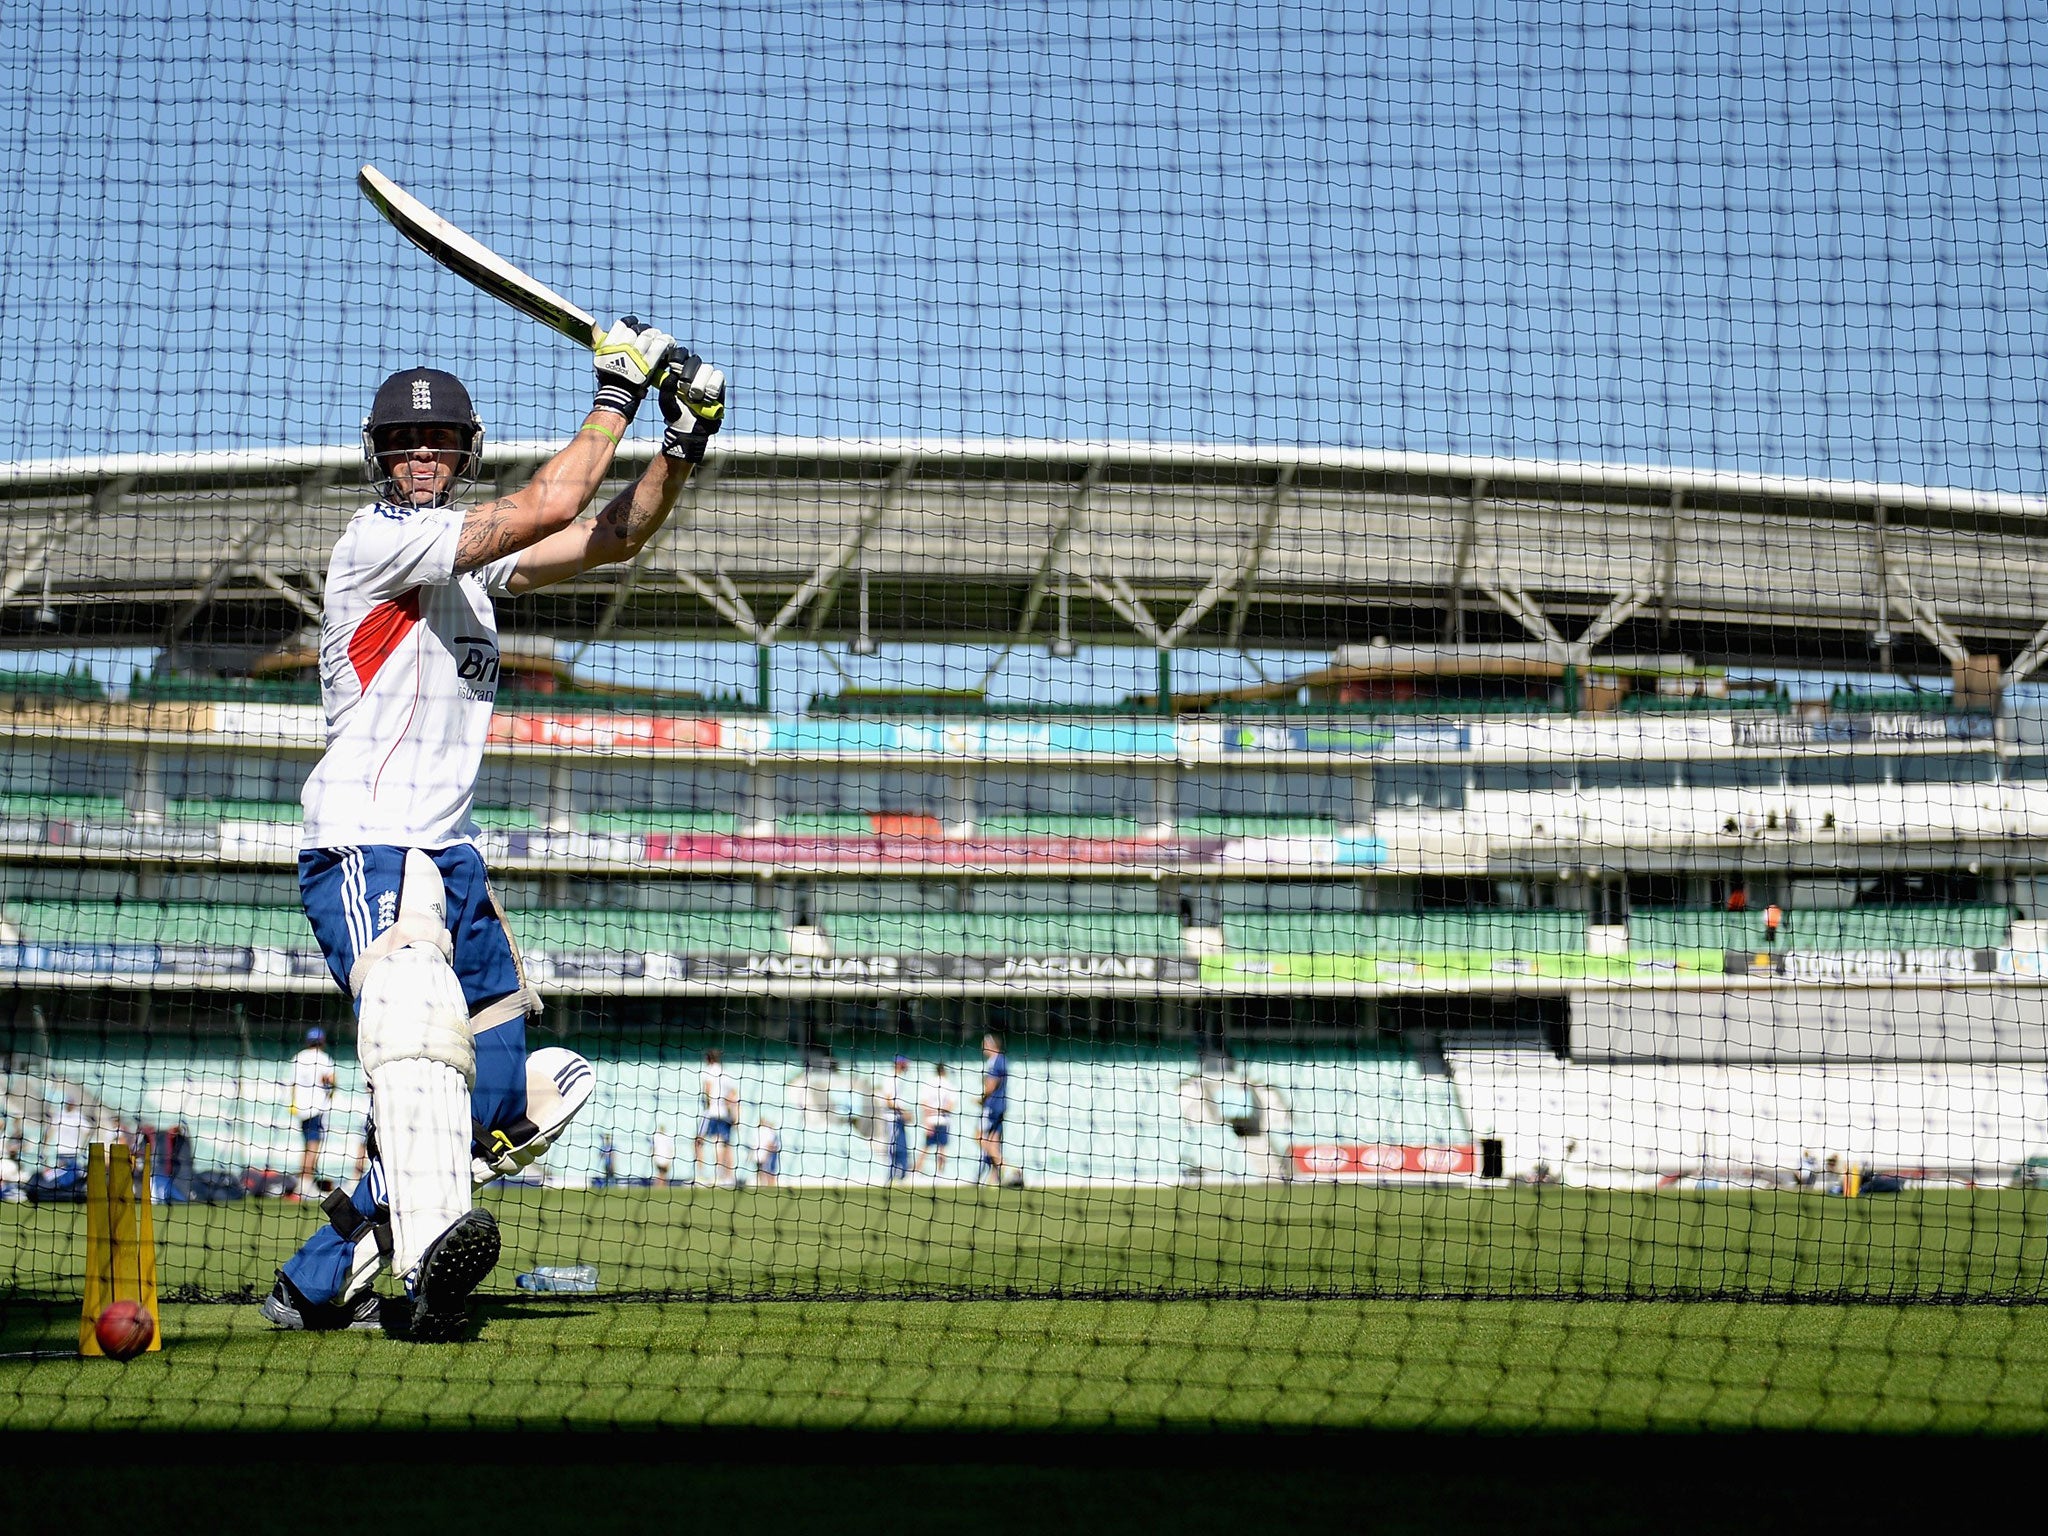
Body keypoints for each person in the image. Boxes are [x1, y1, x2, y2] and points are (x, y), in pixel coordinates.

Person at [260, 323, 726, 1341]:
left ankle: (315, 1278)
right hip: (364, 844)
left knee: (504, 1091)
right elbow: (553, 498)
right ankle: (426, 1290)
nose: (419, 458)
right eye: (403, 443)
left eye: (437, 443)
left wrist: (681, 440)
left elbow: (610, 534)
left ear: (463, 451)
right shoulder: (376, 543)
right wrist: (615, 391)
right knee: (419, 1053)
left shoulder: (475, 569)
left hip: (453, 854)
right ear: (377, 454)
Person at [290, 1026, 337, 1198]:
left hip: (301, 1108)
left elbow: (292, 1084)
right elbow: (332, 1081)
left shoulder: (298, 1057)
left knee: (307, 1145)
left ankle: (303, 1182)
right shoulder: (324, 1058)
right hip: (317, 1107)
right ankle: (306, 1185)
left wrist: (294, 1104)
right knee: (313, 1146)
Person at [694, 1048, 741, 1187]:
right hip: (725, 1114)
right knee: (725, 1144)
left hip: (711, 1112)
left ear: (708, 1059)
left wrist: (708, 1105)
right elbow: (732, 1094)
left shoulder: (708, 1071)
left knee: (698, 1142)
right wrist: (734, 1114)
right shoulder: (725, 1072)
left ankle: (701, 1176)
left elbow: (707, 1089)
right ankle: (727, 1177)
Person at [912, 1062, 955, 1178]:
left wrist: (927, 1120)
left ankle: (916, 1173)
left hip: (931, 1120)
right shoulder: (948, 1084)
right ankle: (939, 1174)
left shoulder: (929, 1084)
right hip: (942, 1120)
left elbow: (924, 1104)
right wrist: (940, 1110)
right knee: (941, 1149)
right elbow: (951, 1105)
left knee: (926, 1149)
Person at [978, 1033, 1011, 1186]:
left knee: (979, 1137)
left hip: (993, 1106)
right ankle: (994, 1178)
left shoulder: (994, 1062)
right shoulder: (1003, 1060)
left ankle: (1006, 1168)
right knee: (994, 1140)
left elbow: (991, 1085)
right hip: (1001, 1105)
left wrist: (981, 1099)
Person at [879, 1056, 911, 1183]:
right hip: (892, 1117)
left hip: (899, 1117)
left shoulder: (900, 1079)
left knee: (902, 1145)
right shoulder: (890, 1078)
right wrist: (903, 1112)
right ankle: (890, 1175)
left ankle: (901, 1174)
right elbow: (888, 1100)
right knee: (893, 1146)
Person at [753, 1118, 781, 1188]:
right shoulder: (760, 1131)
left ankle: (771, 1185)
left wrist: (767, 1154)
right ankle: (763, 1184)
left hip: (769, 1155)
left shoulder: (769, 1132)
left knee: (770, 1171)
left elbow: (771, 1144)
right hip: (761, 1155)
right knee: (762, 1170)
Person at [651, 1124, 675, 1189]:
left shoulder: (660, 1137)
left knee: (662, 1173)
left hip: (662, 1157)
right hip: (661, 1157)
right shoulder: (658, 1137)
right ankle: (659, 1185)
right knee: (662, 1173)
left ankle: (659, 1185)